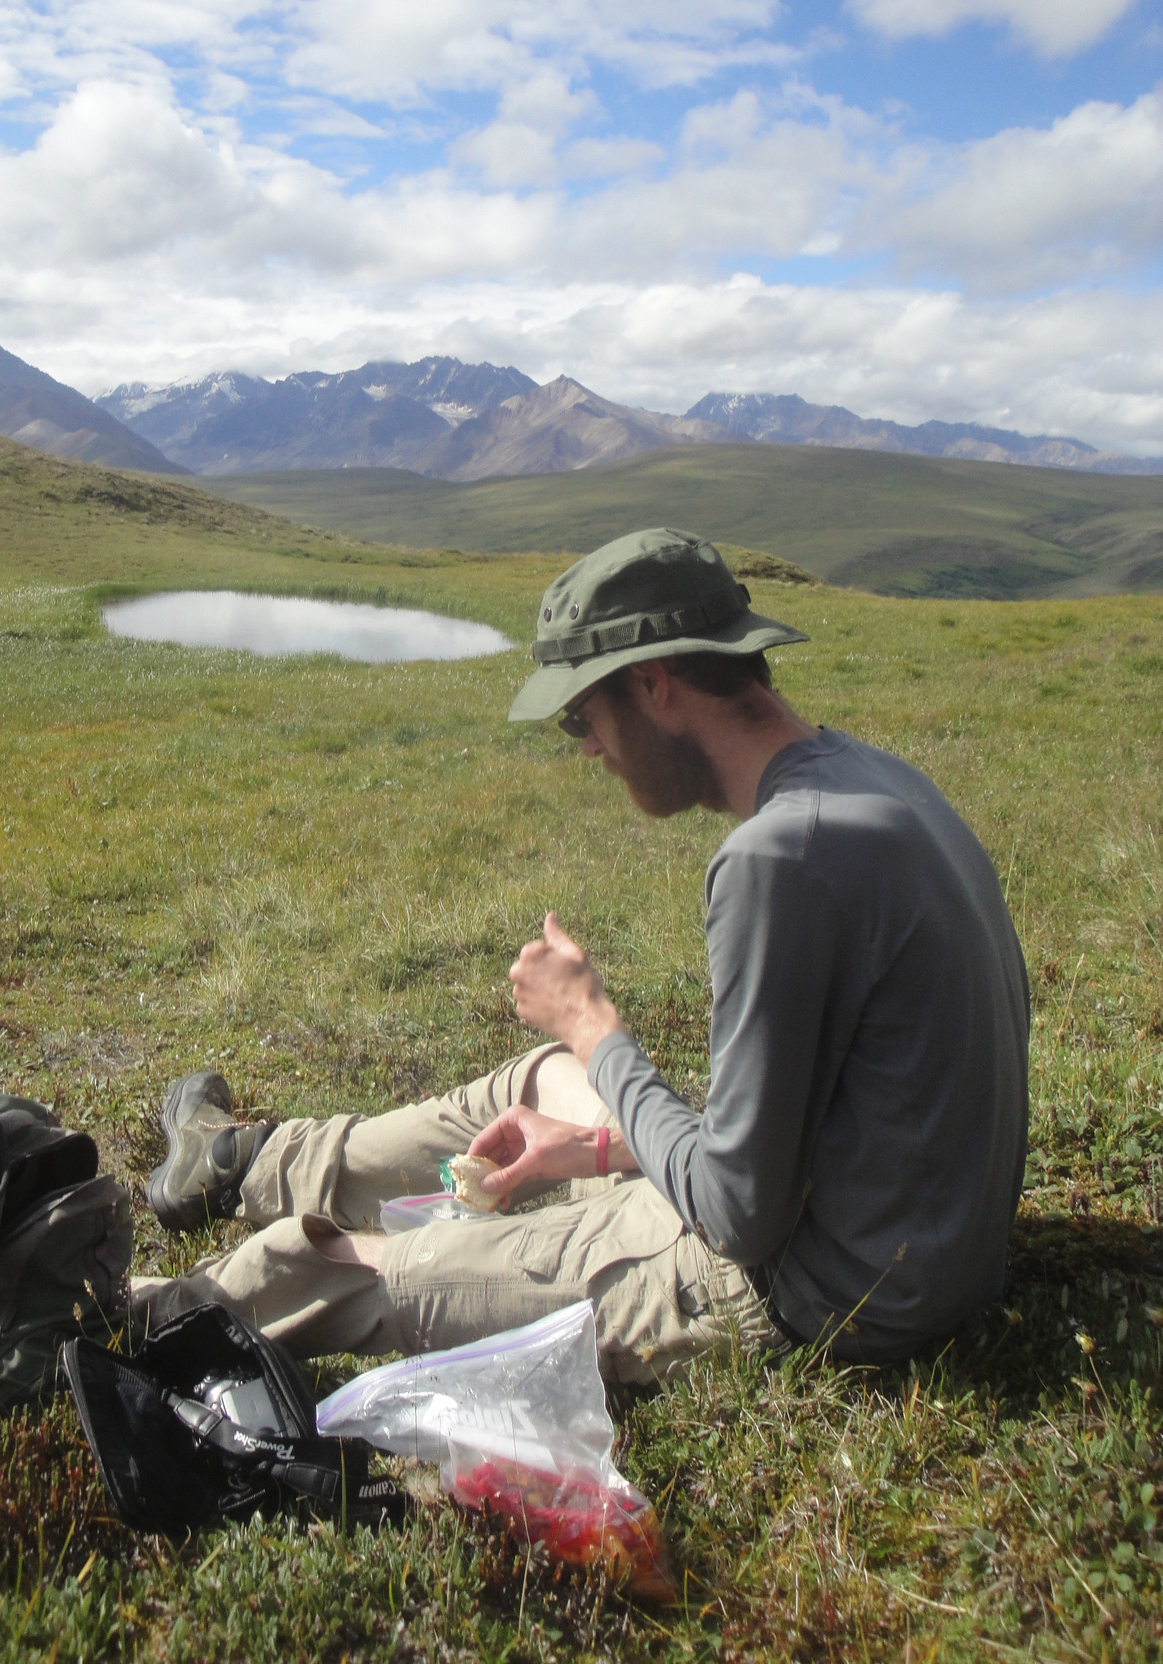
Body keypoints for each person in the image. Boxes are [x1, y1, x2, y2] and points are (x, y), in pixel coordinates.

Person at [131, 528, 1030, 1382]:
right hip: (908, 1233)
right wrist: (595, 1143)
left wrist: (595, 1026)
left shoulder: (779, 859)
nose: (590, 745)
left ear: (653, 682)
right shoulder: (871, 781)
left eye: (581, 714)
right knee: (543, 1081)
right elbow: (824, 1128)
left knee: (387, 1264)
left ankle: (125, 1319)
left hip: (825, 1288)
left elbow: (736, 1218)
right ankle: (244, 1164)